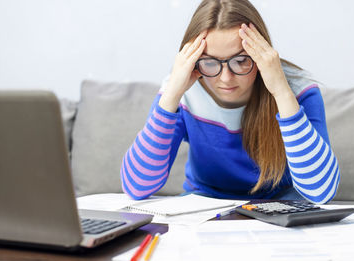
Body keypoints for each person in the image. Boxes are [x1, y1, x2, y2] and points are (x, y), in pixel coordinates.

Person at [120, 0, 340, 204]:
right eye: (209, 62)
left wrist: (281, 92)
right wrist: (170, 96)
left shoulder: (298, 89)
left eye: (241, 60)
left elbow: (321, 191)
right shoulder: (183, 91)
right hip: (203, 206)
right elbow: (136, 187)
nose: (225, 78)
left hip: (280, 208)